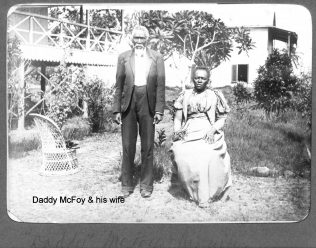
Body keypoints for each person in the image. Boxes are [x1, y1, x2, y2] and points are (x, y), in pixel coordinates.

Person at [112, 25, 165, 198]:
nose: (139, 41)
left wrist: (158, 109)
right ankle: (127, 185)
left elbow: (160, 86)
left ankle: (146, 185)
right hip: (129, 102)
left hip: (147, 103)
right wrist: (116, 109)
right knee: (128, 146)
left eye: (142, 38)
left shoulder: (157, 57)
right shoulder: (123, 58)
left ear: (147, 39)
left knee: (148, 146)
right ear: (132, 39)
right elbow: (118, 85)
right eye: (136, 38)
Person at [170, 66, 232, 208]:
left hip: (207, 129)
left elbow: (222, 118)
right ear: (193, 78)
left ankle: (206, 195)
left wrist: (213, 130)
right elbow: (178, 119)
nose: (199, 80)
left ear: (207, 80)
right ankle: (190, 191)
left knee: (206, 154)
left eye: (203, 78)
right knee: (181, 152)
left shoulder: (215, 95)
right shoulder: (184, 95)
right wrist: (177, 132)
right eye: (197, 77)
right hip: (189, 128)